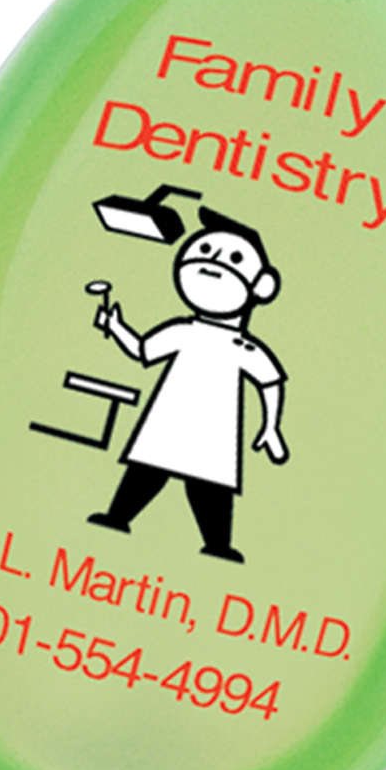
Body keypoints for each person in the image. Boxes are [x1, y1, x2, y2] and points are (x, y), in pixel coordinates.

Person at [88, 207, 288, 562]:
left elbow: (270, 379)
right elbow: (143, 350)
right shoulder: (182, 331)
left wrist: (271, 426)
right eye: (204, 251)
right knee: (146, 472)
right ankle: (118, 517)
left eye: (233, 260)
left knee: (209, 487)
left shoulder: (242, 347)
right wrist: (115, 326)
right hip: (168, 421)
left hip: (214, 432)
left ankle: (218, 545)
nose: (211, 263)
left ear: (262, 286)